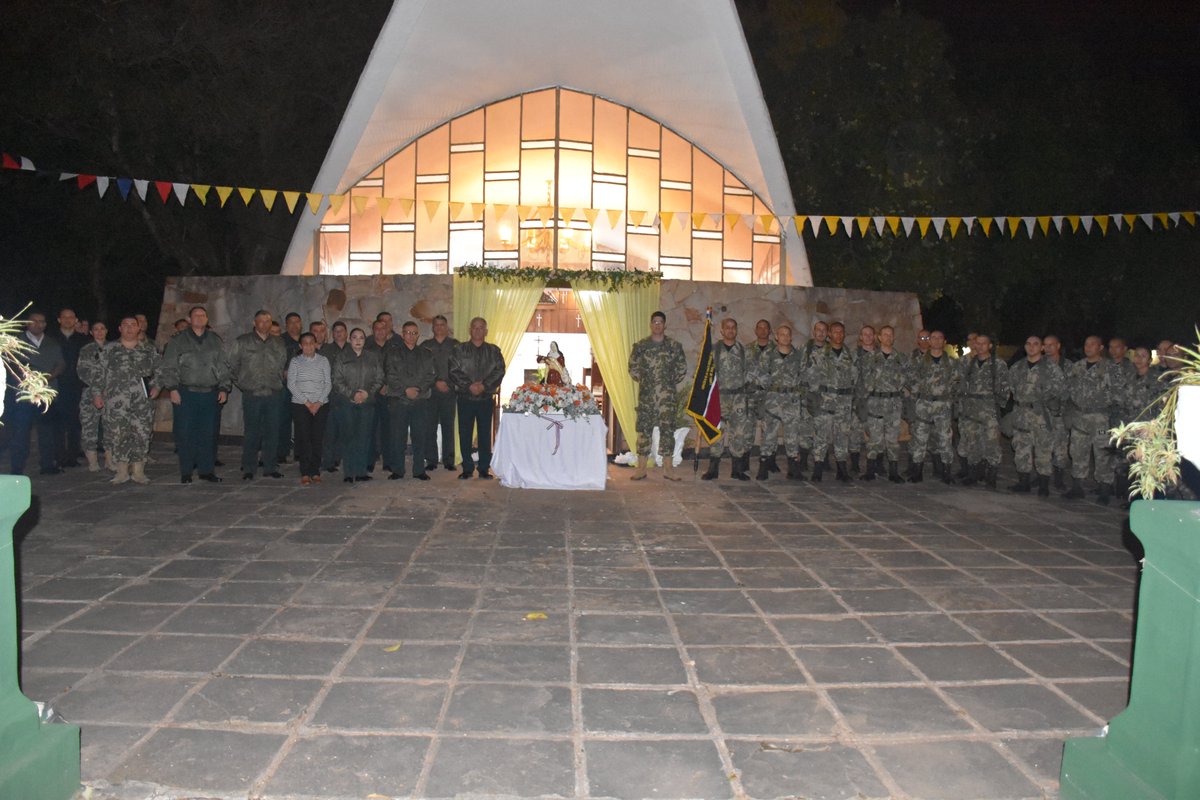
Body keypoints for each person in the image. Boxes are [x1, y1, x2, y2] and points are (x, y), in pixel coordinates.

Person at [158, 306, 230, 483]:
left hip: (210, 394)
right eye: (196, 315)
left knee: (208, 433)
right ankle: (186, 471)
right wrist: (172, 388)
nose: (199, 318)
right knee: (186, 433)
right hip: (186, 393)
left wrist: (224, 388)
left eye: (203, 315)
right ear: (189, 319)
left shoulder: (215, 340)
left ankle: (206, 470)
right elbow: (169, 366)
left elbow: (223, 366)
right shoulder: (178, 341)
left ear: (207, 319)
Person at [98, 316, 160, 484]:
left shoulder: (148, 349)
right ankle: (122, 472)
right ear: (119, 328)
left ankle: (139, 472)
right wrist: (97, 394)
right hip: (117, 401)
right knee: (118, 435)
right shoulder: (110, 349)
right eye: (125, 325)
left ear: (139, 328)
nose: (129, 328)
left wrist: (156, 387)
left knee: (141, 434)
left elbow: (159, 370)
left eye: (133, 325)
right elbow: (99, 374)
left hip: (142, 401)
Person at [227, 310, 288, 481]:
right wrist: (244, 384)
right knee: (252, 432)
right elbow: (232, 366)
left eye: (268, 321)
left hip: (273, 394)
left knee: (272, 432)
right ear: (254, 322)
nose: (265, 324)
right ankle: (249, 467)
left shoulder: (278, 342)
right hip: (252, 394)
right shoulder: (243, 341)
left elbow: (282, 364)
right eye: (261, 321)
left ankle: (269, 466)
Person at [627, 311, 687, 481]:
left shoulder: (674, 346)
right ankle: (641, 468)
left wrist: (666, 384)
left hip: (667, 398)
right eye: (654, 322)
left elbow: (681, 369)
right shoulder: (641, 346)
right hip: (647, 397)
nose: (657, 325)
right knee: (644, 431)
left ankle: (668, 469)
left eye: (660, 322)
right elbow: (633, 368)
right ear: (650, 324)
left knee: (667, 431)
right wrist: (647, 382)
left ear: (665, 325)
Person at [1062, 335, 1122, 504]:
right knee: (1077, 451)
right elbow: (1068, 390)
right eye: (1086, 344)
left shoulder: (1110, 367)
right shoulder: (1077, 367)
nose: (1088, 347)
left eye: (1092, 344)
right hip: (1080, 416)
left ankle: (1104, 488)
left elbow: (1118, 393)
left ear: (1100, 347)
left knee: (1102, 453)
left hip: (1101, 416)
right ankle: (1077, 486)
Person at [6, 310, 65, 475]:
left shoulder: (52, 343)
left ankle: (47, 465)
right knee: (20, 432)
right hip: (23, 395)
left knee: (47, 432)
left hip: (45, 394)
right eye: (34, 321)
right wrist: (27, 380)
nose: (38, 324)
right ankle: (17, 468)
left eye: (42, 321)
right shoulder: (16, 342)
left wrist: (46, 379)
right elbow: (10, 365)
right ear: (27, 323)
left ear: (45, 325)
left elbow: (60, 364)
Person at [1008, 335, 1065, 496]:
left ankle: (1043, 485)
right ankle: (1023, 482)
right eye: (1028, 344)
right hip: (1021, 414)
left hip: (1042, 414)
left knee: (1043, 450)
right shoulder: (1017, 367)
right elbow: (1011, 388)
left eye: (1035, 344)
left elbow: (1060, 389)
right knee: (1021, 449)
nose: (1031, 347)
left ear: (1041, 348)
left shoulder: (1051, 368)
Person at [449, 317, 505, 479]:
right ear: (470, 330)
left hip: (485, 399)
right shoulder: (459, 350)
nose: (478, 330)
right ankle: (467, 468)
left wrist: (484, 385)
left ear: (486, 331)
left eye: (481, 328)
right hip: (465, 398)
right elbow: (453, 370)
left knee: (485, 435)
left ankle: (483, 469)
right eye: (475, 327)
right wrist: (469, 385)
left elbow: (499, 370)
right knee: (465, 433)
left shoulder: (494, 351)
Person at [956, 334, 1010, 489]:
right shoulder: (968, 363)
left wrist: (998, 406)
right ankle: (973, 474)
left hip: (989, 409)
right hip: (970, 409)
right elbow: (958, 381)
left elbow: (1005, 388)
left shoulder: (998, 365)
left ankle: (991, 475)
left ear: (990, 346)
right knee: (972, 441)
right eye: (977, 343)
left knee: (992, 442)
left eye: (983, 343)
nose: (979, 346)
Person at [701, 317, 753, 481]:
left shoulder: (744, 352)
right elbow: (704, 375)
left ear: (736, 330)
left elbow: (752, 373)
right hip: (719, 397)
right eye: (727, 328)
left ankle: (737, 470)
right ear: (722, 330)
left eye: (733, 327)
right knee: (717, 432)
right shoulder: (713, 350)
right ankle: (713, 469)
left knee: (738, 433)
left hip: (738, 397)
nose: (730, 330)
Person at [384, 321, 436, 480]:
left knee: (419, 436)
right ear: (402, 334)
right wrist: (405, 390)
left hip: (420, 401)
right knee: (397, 437)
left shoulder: (426, 354)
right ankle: (398, 470)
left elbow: (431, 375)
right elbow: (390, 375)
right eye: (408, 332)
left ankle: (419, 470)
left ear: (418, 335)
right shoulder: (393, 353)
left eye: (414, 333)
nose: (411, 336)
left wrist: (418, 390)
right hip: (399, 401)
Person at [807, 321, 857, 482]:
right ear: (829, 334)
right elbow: (812, 378)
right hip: (825, 402)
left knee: (842, 435)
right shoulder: (819, 354)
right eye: (835, 332)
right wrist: (818, 397)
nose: (838, 335)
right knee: (821, 436)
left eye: (841, 332)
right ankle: (818, 469)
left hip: (844, 402)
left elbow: (855, 377)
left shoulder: (850, 355)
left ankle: (842, 470)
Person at [906, 330, 958, 483]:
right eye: (933, 338)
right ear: (929, 341)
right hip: (924, 404)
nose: (936, 340)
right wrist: (918, 392)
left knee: (945, 438)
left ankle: (946, 473)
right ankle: (917, 472)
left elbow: (957, 382)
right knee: (920, 438)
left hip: (943, 405)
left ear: (944, 341)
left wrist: (948, 396)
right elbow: (908, 377)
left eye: (939, 338)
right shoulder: (918, 361)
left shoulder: (951, 362)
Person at [333, 328, 384, 483]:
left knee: (364, 437)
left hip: (366, 403)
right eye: (354, 337)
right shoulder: (341, 357)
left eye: (361, 338)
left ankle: (361, 471)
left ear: (364, 340)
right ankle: (349, 472)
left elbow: (379, 378)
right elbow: (337, 380)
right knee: (349, 437)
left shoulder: (373, 357)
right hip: (347, 403)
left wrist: (367, 393)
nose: (358, 341)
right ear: (349, 339)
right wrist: (352, 394)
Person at [859, 325, 907, 482]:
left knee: (893, 440)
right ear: (879, 337)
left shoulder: (901, 358)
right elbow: (863, 381)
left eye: (890, 335)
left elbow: (908, 379)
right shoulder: (870, 358)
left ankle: (893, 472)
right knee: (874, 439)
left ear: (893, 337)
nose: (888, 337)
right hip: (875, 404)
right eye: (885, 334)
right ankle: (870, 471)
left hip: (894, 404)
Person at [760, 324, 808, 480]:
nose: (785, 337)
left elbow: (805, 375)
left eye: (788, 334)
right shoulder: (768, 355)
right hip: (773, 401)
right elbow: (759, 374)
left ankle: (793, 470)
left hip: (792, 401)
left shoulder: (799, 356)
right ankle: (763, 467)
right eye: (782, 334)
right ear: (776, 337)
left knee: (792, 435)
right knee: (769, 435)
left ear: (791, 337)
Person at [286, 332, 331, 485]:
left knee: (317, 439)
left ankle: (315, 471)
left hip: (321, 405)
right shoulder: (295, 362)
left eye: (311, 342)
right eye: (305, 343)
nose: (308, 346)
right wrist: (307, 402)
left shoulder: (323, 361)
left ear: (316, 344)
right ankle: (305, 472)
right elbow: (291, 384)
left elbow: (328, 384)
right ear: (300, 346)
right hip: (300, 405)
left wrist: (318, 402)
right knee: (304, 438)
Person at [49, 307, 90, 467]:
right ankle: (58, 455)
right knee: (56, 422)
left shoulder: (82, 340)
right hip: (55, 385)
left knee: (74, 422)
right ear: (59, 319)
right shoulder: (51, 338)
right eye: (64, 317)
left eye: (71, 317)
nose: (67, 320)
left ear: (75, 320)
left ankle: (72, 455)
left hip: (75, 386)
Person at [421, 314, 458, 472]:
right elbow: (422, 369)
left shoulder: (456, 346)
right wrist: (435, 382)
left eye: (442, 324)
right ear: (432, 327)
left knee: (448, 426)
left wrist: (449, 384)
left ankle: (449, 460)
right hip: (431, 392)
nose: (439, 327)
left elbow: (460, 368)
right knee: (430, 427)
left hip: (449, 392)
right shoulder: (425, 346)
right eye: (436, 325)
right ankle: (431, 460)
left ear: (446, 326)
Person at [748, 319, 779, 476]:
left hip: (770, 395)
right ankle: (743, 462)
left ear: (770, 331)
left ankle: (770, 460)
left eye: (765, 328)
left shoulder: (777, 349)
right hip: (751, 394)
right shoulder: (748, 349)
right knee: (748, 427)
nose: (762, 330)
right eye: (759, 327)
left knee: (770, 428)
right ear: (755, 330)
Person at [77, 321, 108, 472]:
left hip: (110, 393)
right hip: (90, 393)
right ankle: (93, 461)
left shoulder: (113, 348)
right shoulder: (87, 349)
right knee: (90, 427)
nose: (99, 332)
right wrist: (98, 388)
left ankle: (110, 460)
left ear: (106, 331)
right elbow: (83, 371)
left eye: (102, 329)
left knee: (110, 427)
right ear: (91, 332)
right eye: (96, 329)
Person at [1042, 334, 1072, 488]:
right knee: (1043, 446)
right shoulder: (1039, 366)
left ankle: (1059, 478)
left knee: (1060, 447)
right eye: (1045, 345)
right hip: (1042, 413)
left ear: (1058, 346)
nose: (1048, 348)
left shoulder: (1068, 366)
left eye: (1051, 345)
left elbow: (1074, 390)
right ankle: (1043, 475)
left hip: (1061, 414)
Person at [319, 321, 349, 473]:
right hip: (330, 396)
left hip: (349, 396)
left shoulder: (353, 349)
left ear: (346, 333)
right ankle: (328, 461)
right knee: (330, 431)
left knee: (347, 430)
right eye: (336, 331)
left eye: (341, 331)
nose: (339, 333)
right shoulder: (326, 350)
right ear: (333, 333)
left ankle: (342, 458)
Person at [366, 317, 395, 472]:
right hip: (372, 394)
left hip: (390, 394)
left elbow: (396, 370)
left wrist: (388, 385)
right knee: (370, 428)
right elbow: (366, 372)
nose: (380, 331)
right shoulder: (367, 348)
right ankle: (370, 460)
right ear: (373, 331)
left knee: (388, 429)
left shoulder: (395, 348)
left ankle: (388, 461)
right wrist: (378, 387)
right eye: (377, 329)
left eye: (383, 328)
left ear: (388, 330)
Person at [849, 324, 877, 474]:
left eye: (870, 334)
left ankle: (875, 465)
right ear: (860, 337)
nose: (867, 337)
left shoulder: (881, 355)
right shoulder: (854, 355)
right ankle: (854, 464)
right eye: (864, 334)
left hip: (877, 402)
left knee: (876, 434)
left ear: (874, 336)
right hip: (858, 401)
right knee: (855, 433)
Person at [277, 312, 303, 464]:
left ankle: (299, 452)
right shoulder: (281, 341)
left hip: (302, 388)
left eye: (297, 322)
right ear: (286, 325)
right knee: (284, 420)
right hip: (284, 388)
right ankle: (282, 451)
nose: (294, 325)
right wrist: (283, 371)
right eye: (291, 322)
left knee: (301, 421)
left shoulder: (306, 341)